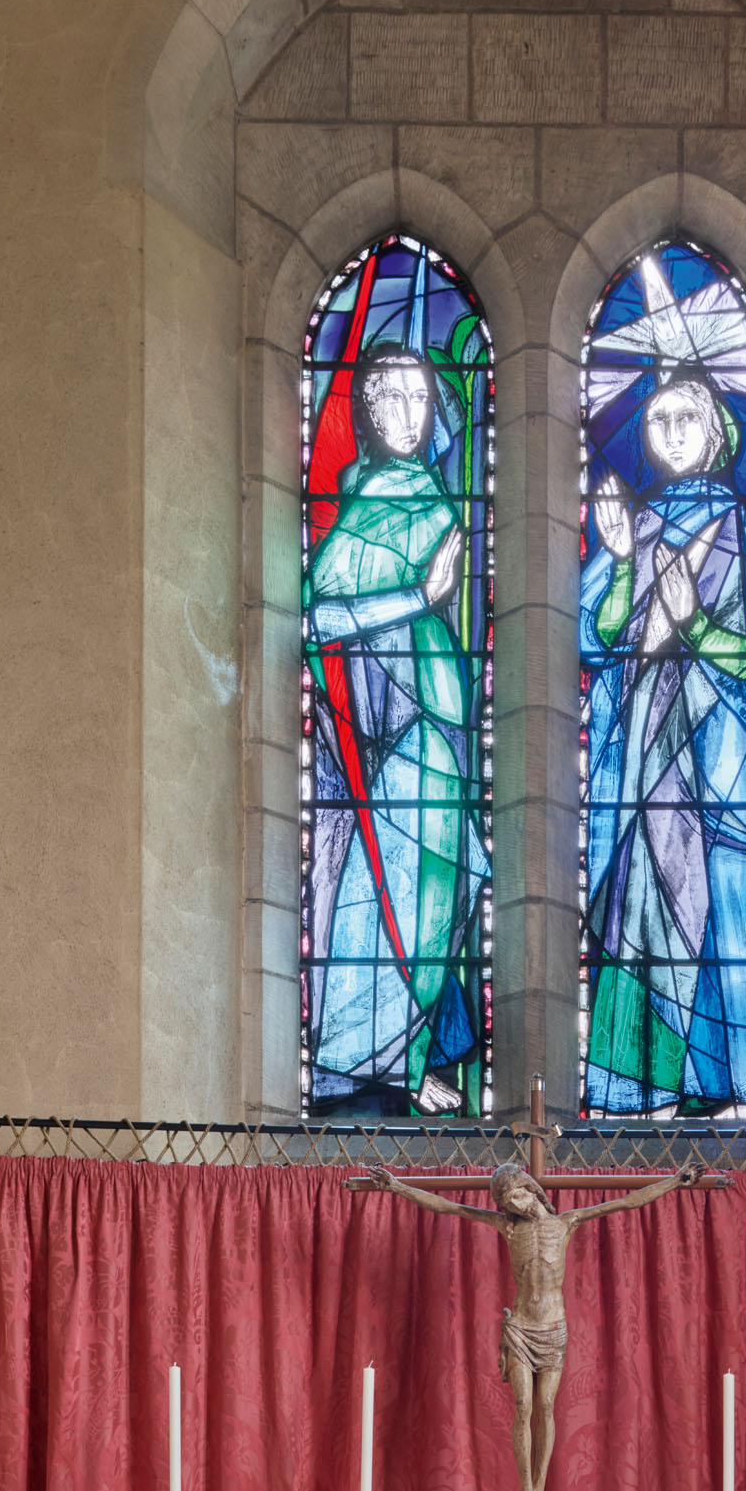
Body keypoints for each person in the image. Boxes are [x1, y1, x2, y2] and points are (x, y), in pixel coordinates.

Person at [581, 368, 746, 1113]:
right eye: (657, 424)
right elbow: (595, 636)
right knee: (640, 910)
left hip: (702, 748)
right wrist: (625, 561)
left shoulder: (729, 523)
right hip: (639, 749)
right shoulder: (646, 521)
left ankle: (714, 1083)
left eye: (685, 419)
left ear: (716, 430)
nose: (670, 436)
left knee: (700, 902)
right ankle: (636, 1081)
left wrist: (692, 623)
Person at [305, 344, 484, 1115]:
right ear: (366, 417)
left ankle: (413, 1052)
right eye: (385, 400)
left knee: (440, 890)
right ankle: (377, 1062)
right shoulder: (366, 504)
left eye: (416, 398)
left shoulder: (435, 495)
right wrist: (418, 597)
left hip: (437, 715)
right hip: (380, 720)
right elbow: (318, 616)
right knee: (386, 888)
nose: (404, 415)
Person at [363, 1158, 704, 1491]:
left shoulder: (566, 1223)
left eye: (514, 1198)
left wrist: (674, 1181)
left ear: (530, 1189)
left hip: (553, 1329)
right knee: (523, 1405)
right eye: (506, 1204)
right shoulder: (508, 1228)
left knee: (544, 1406)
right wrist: (396, 1186)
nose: (512, 1207)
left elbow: (628, 1202)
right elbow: (448, 1206)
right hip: (522, 1328)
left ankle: (539, 1489)